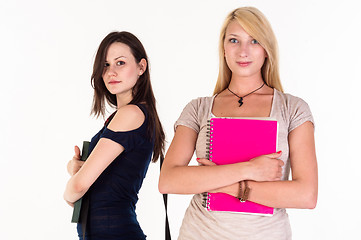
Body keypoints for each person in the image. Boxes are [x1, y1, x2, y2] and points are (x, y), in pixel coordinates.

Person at [159, 7, 317, 240]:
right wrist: (249, 169)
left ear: (266, 50)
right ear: (223, 49)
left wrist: (228, 186)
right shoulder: (198, 108)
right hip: (199, 233)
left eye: (254, 40)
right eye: (234, 40)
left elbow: (306, 195)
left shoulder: (292, 108)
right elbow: (168, 180)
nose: (243, 51)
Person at [64, 31, 165, 240]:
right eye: (105, 65)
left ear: (141, 67)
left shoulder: (131, 114)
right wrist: (78, 169)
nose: (111, 72)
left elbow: (77, 189)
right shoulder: (123, 116)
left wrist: (72, 185)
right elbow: (95, 190)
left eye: (120, 63)